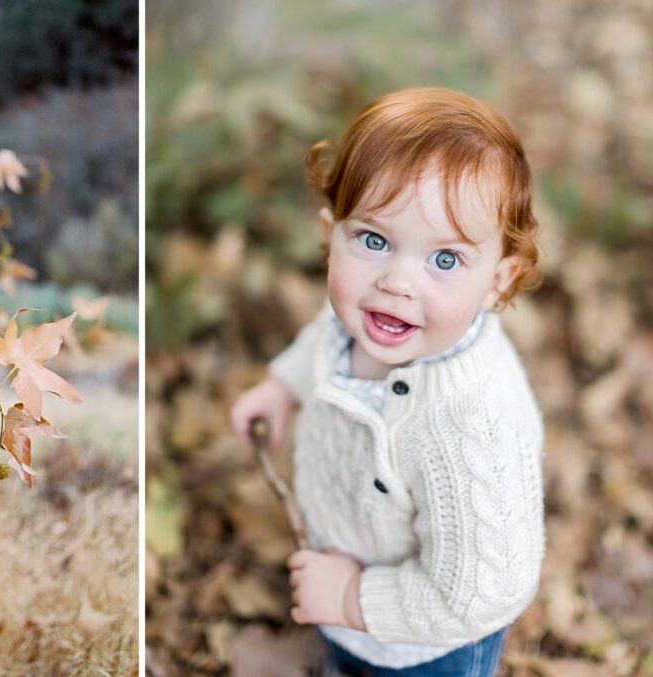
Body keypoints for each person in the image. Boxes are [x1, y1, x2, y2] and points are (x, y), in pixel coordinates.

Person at [230, 87, 545, 676]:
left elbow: (481, 593)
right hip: (338, 586)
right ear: (331, 235)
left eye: (444, 260)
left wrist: (352, 598)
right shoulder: (358, 320)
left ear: (499, 281)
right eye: (373, 241)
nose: (397, 282)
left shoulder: (471, 425)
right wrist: (282, 387)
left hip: (429, 648)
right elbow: (322, 342)